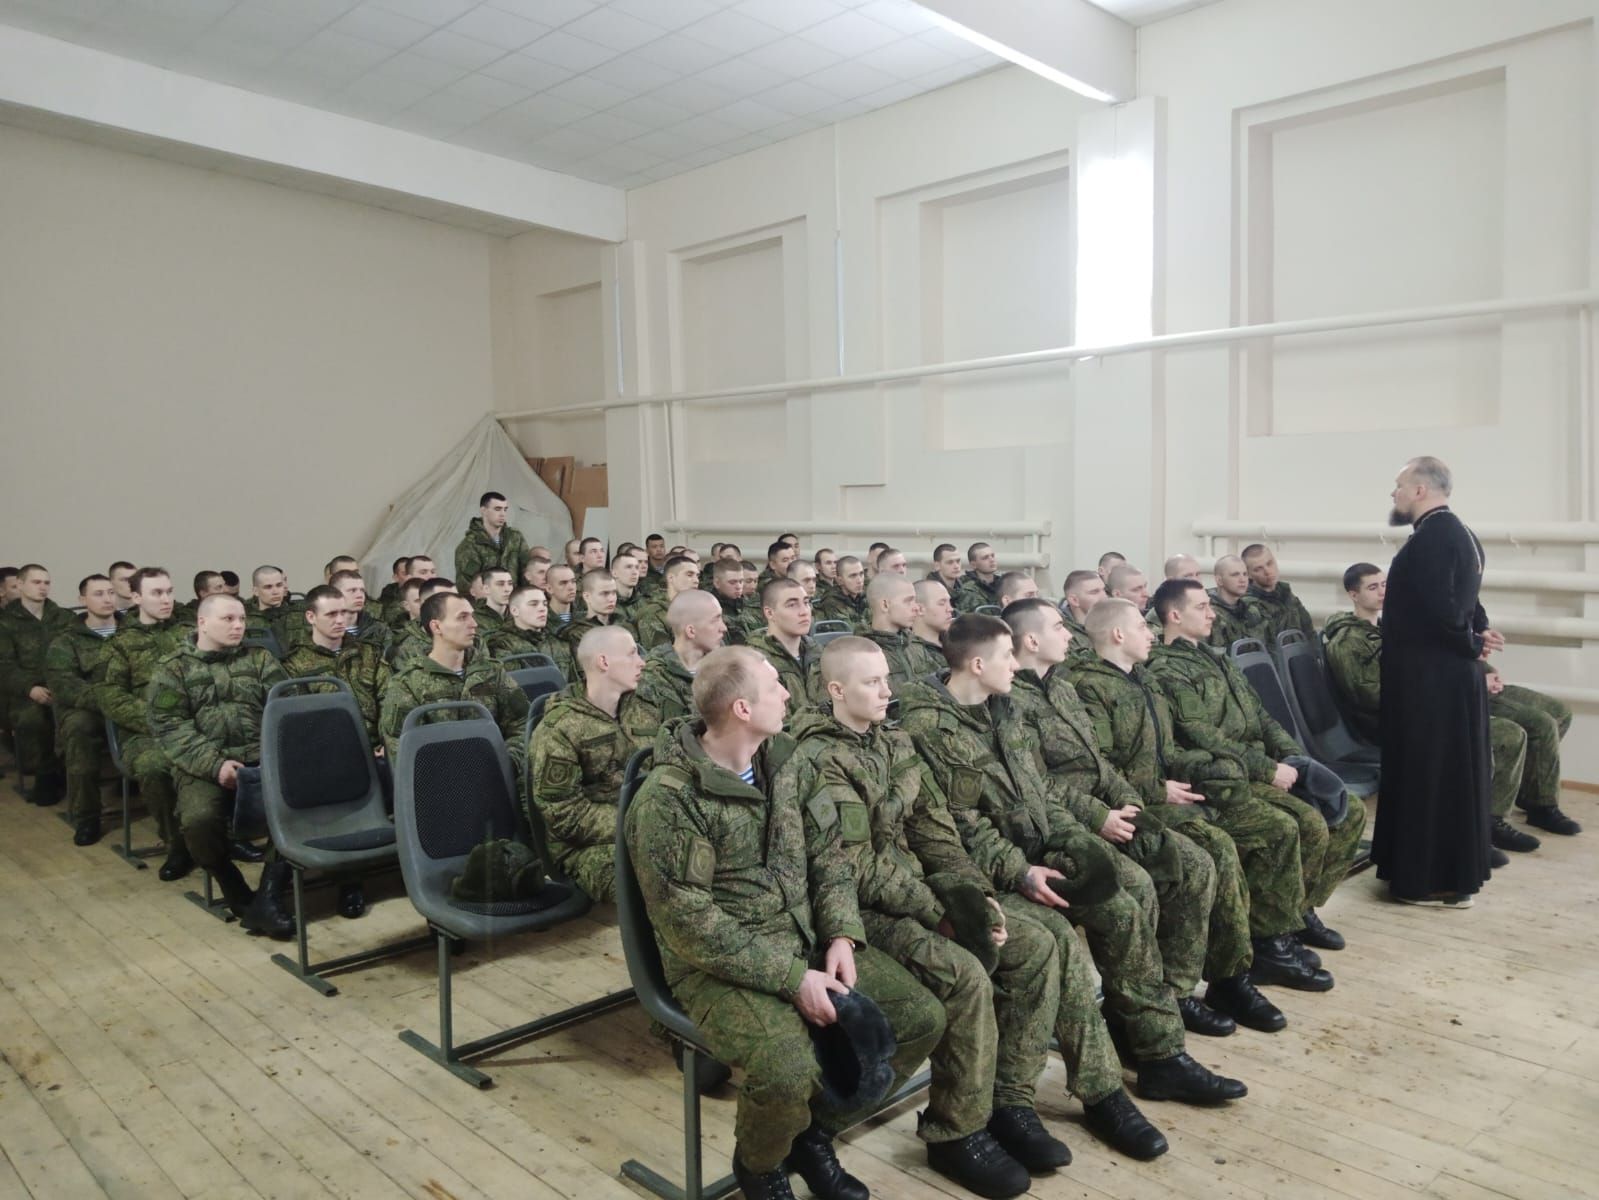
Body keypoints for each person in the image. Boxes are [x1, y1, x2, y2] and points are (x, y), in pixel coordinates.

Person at [625, 646, 945, 1200]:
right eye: (775, 686)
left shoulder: (786, 762)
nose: (789, 693)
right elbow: (690, 924)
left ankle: (810, 1135)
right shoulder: (670, 800)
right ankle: (761, 1166)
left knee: (920, 1017)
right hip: (718, 966)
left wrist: (842, 934)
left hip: (806, 938)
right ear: (742, 709)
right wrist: (794, 979)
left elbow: (829, 856)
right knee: (786, 1068)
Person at [897, 615, 1247, 1107]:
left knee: (1132, 895)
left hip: (1041, 846)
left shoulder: (1005, 707)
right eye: (1007, 656)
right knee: (1089, 926)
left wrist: (1076, 837)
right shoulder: (930, 727)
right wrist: (1019, 870)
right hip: (993, 867)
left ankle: (1155, 1051)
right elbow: (961, 826)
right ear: (977, 665)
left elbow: (1039, 790)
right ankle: (1117, 1075)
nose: (1015, 664)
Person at [779, 637, 1056, 1193]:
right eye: (872, 682)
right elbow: (854, 868)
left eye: (887, 678)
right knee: (964, 976)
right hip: (857, 911)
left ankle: (1006, 1099)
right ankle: (957, 1131)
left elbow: (935, 829)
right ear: (836, 690)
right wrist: (937, 912)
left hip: (914, 892)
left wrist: (974, 897)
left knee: (1035, 948)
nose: (888, 690)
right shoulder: (818, 758)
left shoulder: (894, 739)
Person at [1002, 597, 1277, 1036]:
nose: (1070, 634)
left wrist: (1130, 801)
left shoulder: (1061, 688)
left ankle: (1189, 988)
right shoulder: (1014, 702)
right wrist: (1101, 815)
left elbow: (1100, 765)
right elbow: (1038, 783)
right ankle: (1148, 1006)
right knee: (1172, 871)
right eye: (1059, 627)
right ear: (1032, 640)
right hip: (1065, 825)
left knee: (1199, 861)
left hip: (1113, 808)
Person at [1073, 595, 1330, 996]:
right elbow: (1098, 766)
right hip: (1136, 805)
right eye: (1141, 626)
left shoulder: (1143, 679)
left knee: (1277, 827)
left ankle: (1268, 943)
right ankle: (1225, 978)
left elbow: (1169, 749)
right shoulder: (1089, 687)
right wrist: (1156, 788)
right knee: (1218, 850)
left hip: (1174, 791)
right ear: (1118, 634)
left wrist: (1214, 768)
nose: (1150, 633)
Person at [1147, 580, 1362, 949]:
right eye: (1201, 607)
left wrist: (1294, 758)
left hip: (1261, 762)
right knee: (1305, 823)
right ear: (1175, 615)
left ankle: (1301, 909)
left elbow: (1261, 715)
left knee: (1350, 811)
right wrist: (1267, 769)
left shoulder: (1216, 657)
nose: (1212, 614)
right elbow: (1203, 737)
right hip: (1226, 773)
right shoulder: (1167, 670)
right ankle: (1271, 937)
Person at [1324, 563, 1538, 856]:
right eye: (1373, 587)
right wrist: (1442, 694)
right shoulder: (1348, 641)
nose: (1383, 592)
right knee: (1497, 735)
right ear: (1353, 595)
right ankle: (1474, 830)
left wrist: (1478, 672)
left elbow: (1424, 665)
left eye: (1384, 585)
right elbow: (1372, 697)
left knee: (1509, 732)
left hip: (1416, 709)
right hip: (1390, 722)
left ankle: (1488, 823)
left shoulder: (1388, 628)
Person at [1373, 458, 1497, 907]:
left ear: (1420, 490)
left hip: (1431, 683)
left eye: (1399, 485)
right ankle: (1443, 875)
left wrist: (1471, 641)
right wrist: (1479, 633)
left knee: (1430, 777)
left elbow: (1444, 610)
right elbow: (1468, 601)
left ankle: (1430, 882)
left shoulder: (1433, 538)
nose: (1394, 493)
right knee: (1445, 775)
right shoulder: (1459, 532)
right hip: (1444, 678)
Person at [147, 594, 294, 938]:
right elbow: (169, 727)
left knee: (295, 807)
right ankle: (231, 883)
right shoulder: (173, 669)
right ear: (202, 622)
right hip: (203, 765)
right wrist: (216, 766)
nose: (238, 626)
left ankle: (269, 896)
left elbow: (286, 710)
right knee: (199, 819)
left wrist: (271, 757)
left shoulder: (260, 660)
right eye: (228, 619)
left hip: (262, 760)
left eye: (242, 619)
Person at [529, 626, 656, 901]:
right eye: (631, 654)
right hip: (586, 847)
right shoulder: (560, 728)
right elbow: (563, 814)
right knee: (658, 878)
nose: (641, 662)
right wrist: (636, 822)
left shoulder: (643, 709)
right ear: (604, 662)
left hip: (651, 824)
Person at [100, 567, 190, 879]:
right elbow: (111, 696)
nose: (166, 599)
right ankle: (177, 842)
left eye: (169, 591)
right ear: (136, 597)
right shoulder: (120, 644)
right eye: (157, 593)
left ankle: (223, 834)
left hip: (194, 723)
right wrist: (158, 720)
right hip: (145, 732)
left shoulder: (189, 634)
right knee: (154, 766)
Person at [378, 593, 529, 771]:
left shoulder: (491, 672)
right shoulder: (407, 684)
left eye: (472, 616)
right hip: (442, 781)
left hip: (497, 772)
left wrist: (507, 760)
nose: (474, 623)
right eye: (462, 617)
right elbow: (402, 750)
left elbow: (522, 721)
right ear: (436, 626)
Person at [45, 574, 121, 844]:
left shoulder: (133, 632)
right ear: (82, 599)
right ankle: (87, 816)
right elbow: (64, 684)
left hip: (131, 706)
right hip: (89, 710)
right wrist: (109, 701)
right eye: (98, 594)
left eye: (111, 592)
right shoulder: (66, 640)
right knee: (79, 730)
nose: (107, 599)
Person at [0, 563, 74, 804]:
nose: (43, 587)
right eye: (36, 582)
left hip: (63, 684)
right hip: (25, 691)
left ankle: (65, 771)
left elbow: (77, 652)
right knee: (34, 719)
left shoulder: (63, 617)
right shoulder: (5, 622)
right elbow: (4, 665)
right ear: (20, 585)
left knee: (76, 719)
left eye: (46, 582)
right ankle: (46, 774)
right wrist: (30, 688)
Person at [640, 591, 725, 720]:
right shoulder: (654, 676)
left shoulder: (725, 665)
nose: (724, 628)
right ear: (691, 631)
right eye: (715, 621)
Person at [744, 578, 821, 709]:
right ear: (770, 613)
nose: (804, 612)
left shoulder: (816, 651)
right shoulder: (756, 661)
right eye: (792, 605)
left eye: (806, 603)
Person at [488, 585, 575, 681]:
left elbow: (576, 682)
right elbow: (512, 684)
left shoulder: (559, 642)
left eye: (545, 604)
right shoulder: (501, 644)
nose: (542, 609)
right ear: (514, 610)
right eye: (533, 604)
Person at [1242, 544, 1316, 643]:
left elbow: (1309, 633)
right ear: (1249, 574)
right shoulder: (1247, 606)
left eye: (1269, 563)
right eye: (1258, 569)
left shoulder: (1286, 595)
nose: (1267, 571)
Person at [860, 575, 922, 691]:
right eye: (908, 601)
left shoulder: (914, 645)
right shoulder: (862, 655)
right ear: (885, 605)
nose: (916, 608)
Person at [456, 491, 533, 584]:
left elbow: (527, 571)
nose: (503, 514)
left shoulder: (515, 537)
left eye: (505, 509)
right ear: (483, 511)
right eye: (497, 509)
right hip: (487, 593)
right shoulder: (470, 544)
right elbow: (467, 583)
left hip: (515, 593)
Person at [635, 555, 701, 651]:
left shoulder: (698, 609)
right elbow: (660, 654)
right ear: (671, 578)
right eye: (689, 575)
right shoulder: (653, 613)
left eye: (697, 576)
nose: (696, 581)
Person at [1208, 555, 1271, 649]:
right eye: (1235, 575)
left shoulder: (1251, 611)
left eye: (1245, 574)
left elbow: (1266, 648)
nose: (1243, 580)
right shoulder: (1209, 615)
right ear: (1219, 580)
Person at [907, 579, 954, 682]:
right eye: (942, 603)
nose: (950, 609)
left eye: (949, 602)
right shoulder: (907, 651)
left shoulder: (958, 643)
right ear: (920, 609)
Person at [1060, 569, 1105, 659]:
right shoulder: (1063, 633)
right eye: (1094, 592)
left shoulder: (1112, 623)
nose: (1104, 597)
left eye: (1104, 590)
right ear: (1074, 600)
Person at [814, 555, 867, 629]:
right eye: (853, 576)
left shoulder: (864, 596)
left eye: (861, 574)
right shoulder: (831, 601)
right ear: (840, 580)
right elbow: (848, 630)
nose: (859, 580)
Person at [952, 543, 1001, 613]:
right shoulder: (968, 590)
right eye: (985, 558)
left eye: (992, 556)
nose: (992, 560)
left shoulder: (1003, 584)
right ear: (973, 565)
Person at [472, 567, 515, 636]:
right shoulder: (474, 619)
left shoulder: (519, 615)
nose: (507, 589)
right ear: (486, 589)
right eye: (500, 584)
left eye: (510, 584)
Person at [545, 564, 580, 630]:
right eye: (563, 583)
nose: (571, 587)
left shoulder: (584, 617)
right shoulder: (541, 619)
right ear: (549, 588)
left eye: (573, 581)